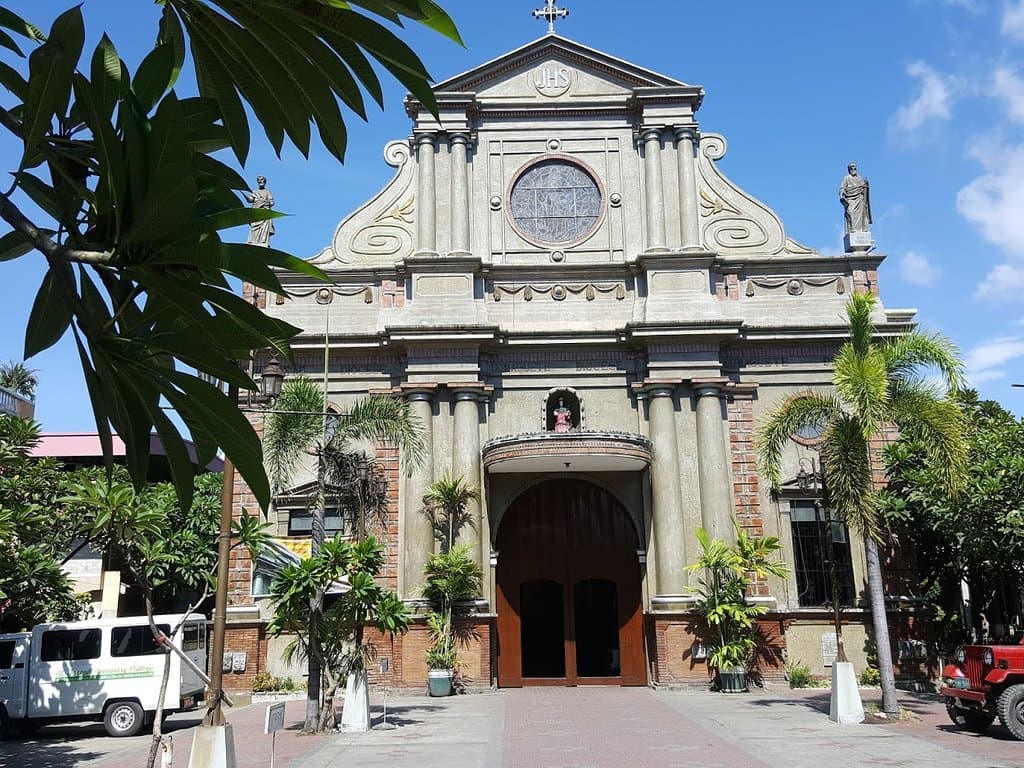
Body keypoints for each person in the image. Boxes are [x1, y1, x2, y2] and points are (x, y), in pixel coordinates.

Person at [839, 163, 871, 234]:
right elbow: (842, 187)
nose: (853, 169)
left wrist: (866, 185)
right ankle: (852, 229)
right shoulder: (846, 178)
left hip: (859, 198)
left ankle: (863, 229)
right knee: (850, 212)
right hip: (850, 198)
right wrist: (841, 193)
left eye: (854, 168)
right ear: (849, 170)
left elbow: (864, 187)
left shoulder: (860, 178)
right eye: (851, 168)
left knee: (863, 214)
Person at [245, 175, 275, 246]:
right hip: (256, 213)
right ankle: (253, 241)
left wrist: (265, 202)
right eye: (259, 180)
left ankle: (263, 242)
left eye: (262, 180)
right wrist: (244, 194)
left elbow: (272, 202)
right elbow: (250, 200)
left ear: (265, 181)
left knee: (264, 228)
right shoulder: (255, 192)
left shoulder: (267, 192)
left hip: (264, 213)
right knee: (254, 227)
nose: (260, 181)